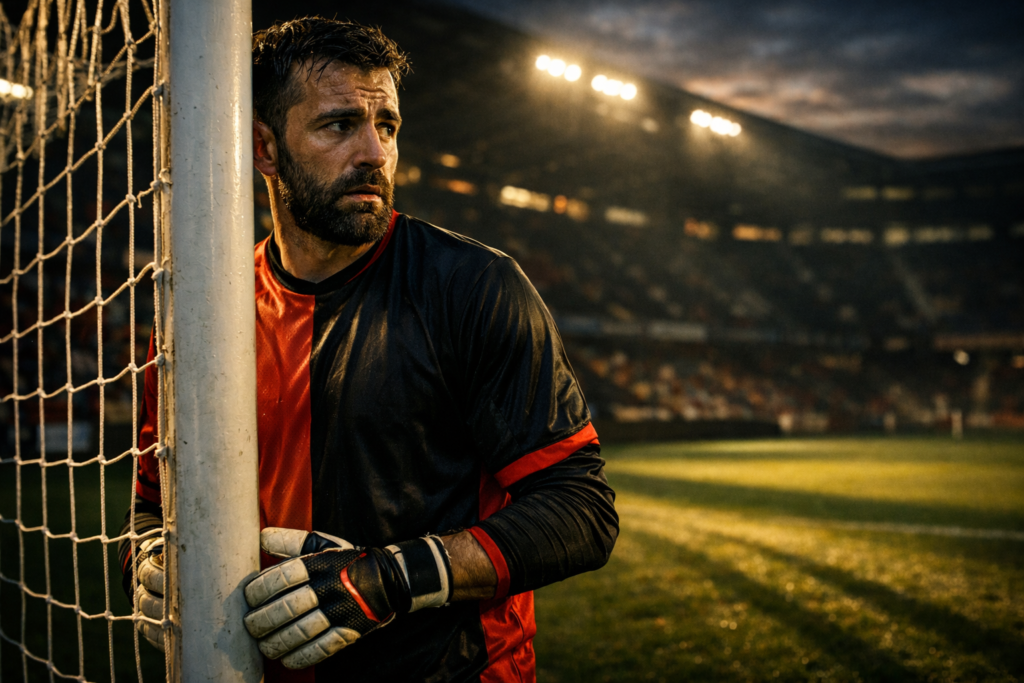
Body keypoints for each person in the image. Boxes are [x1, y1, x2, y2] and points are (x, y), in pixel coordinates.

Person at [119, 16, 618, 683]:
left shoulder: (472, 286)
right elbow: (152, 500)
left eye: (386, 126)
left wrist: (394, 578)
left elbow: (581, 509)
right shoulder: (196, 317)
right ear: (263, 147)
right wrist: (147, 560)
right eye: (339, 125)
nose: (375, 154)